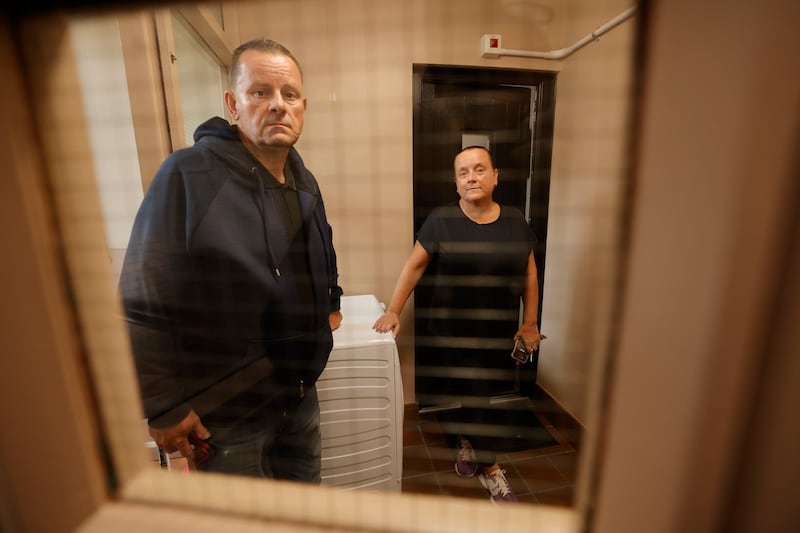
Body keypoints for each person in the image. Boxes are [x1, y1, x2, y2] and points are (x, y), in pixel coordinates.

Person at [119, 38, 343, 483]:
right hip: (225, 419)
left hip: (300, 400)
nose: (277, 105)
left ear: (303, 106)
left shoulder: (304, 179)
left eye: (289, 94)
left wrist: (329, 302)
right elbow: (140, 300)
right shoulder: (187, 175)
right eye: (260, 92)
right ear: (233, 103)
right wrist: (162, 405)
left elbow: (322, 249)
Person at [373, 146, 543, 503]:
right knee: (478, 395)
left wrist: (529, 323)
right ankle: (492, 469)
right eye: (464, 172)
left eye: (480, 169)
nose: (472, 177)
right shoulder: (441, 220)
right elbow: (414, 266)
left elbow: (529, 272)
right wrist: (393, 311)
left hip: (497, 331)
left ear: (496, 176)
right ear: (455, 183)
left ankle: (466, 441)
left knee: (481, 395)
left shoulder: (515, 221)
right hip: (452, 332)